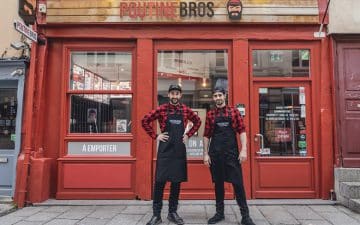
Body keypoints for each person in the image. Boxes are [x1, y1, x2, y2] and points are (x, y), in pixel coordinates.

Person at [142, 84, 201, 225]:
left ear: (180, 96)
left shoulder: (185, 110)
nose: (175, 96)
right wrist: (156, 136)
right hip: (165, 150)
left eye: (177, 93)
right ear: (169, 95)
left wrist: (188, 134)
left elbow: (198, 121)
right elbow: (145, 121)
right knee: (159, 182)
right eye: (172, 93)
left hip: (179, 150)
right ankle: (156, 215)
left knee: (176, 182)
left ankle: (172, 213)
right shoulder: (162, 109)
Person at [203, 87, 255, 225]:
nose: (218, 98)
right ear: (213, 98)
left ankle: (245, 216)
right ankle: (219, 213)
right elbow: (207, 135)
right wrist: (205, 154)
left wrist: (244, 150)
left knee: (238, 184)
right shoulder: (210, 114)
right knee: (218, 185)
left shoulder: (234, 112)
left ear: (224, 96)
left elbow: (242, 131)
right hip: (216, 154)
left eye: (220, 95)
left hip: (232, 154)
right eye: (215, 96)